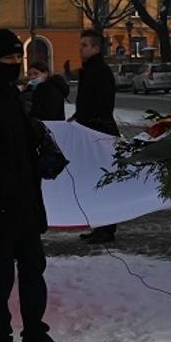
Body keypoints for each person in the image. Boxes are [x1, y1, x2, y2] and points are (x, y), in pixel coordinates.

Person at [0, 28, 78, 342]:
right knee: (0, 273)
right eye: (9, 58)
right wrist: (3, 190)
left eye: (17, 58)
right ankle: (0, 339)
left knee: (32, 267)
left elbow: (20, 139)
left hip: (25, 198)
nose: (15, 64)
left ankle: (35, 333)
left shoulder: (10, 92)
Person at [75, 30, 122, 244]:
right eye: (81, 44)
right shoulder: (91, 70)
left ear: (96, 48)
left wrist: (87, 120)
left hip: (98, 131)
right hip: (91, 128)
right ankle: (100, 224)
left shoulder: (99, 71)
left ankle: (106, 228)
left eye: (85, 45)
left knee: (103, 180)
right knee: (94, 180)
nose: (81, 48)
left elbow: (101, 103)